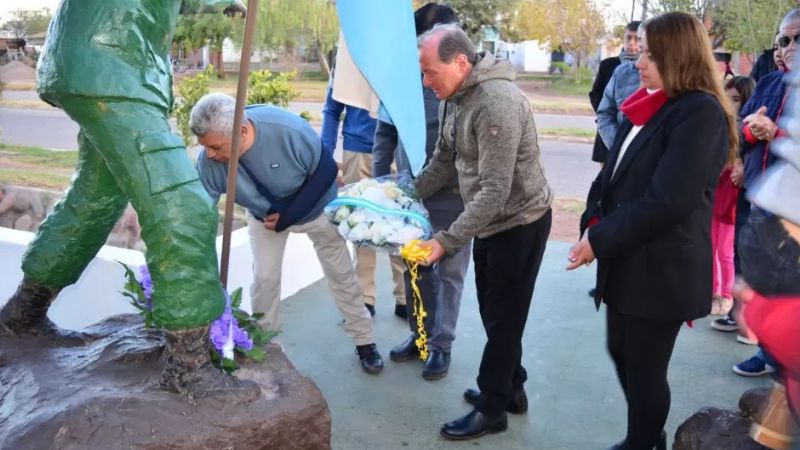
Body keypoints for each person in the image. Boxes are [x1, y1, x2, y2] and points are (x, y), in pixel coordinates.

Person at [0, 0, 247, 395]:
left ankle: (22, 315)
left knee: (95, 199)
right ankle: (189, 369)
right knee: (181, 204)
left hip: (117, 65)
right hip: (110, 61)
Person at [569, 12, 736, 449]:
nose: (637, 60)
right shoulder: (649, 102)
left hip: (662, 268)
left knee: (644, 367)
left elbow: (668, 201)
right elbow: (611, 175)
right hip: (629, 257)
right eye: (639, 50)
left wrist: (599, 240)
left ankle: (644, 441)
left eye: (648, 53)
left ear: (677, 55)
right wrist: (591, 220)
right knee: (622, 353)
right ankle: (646, 437)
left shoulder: (699, 113)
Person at [414, 24, 553, 440]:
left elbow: (497, 189)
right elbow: (442, 160)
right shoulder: (453, 97)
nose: (426, 82)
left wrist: (445, 239)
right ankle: (513, 388)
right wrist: (403, 195)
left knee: (504, 319)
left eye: (430, 72)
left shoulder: (496, 102)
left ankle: (493, 408)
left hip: (520, 222)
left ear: (460, 62)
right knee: (497, 314)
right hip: (491, 222)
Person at [190, 93, 385, 375]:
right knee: (264, 280)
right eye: (205, 147)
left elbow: (327, 169)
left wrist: (289, 215)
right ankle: (268, 346)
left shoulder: (287, 129)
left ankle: (365, 340)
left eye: (216, 147)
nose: (209, 154)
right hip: (264, 219)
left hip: (317, 209)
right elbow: (201, 212)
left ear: (241, 131)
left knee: (342, 275)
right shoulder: (209, 162)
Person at [371, 3, 466, 381]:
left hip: (455, 196)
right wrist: (382, 188)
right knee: (414, 266)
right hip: (411, 195)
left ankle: (441, 346)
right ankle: (419, 335)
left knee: (448, 275)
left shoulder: (465, 80)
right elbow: (384, 136)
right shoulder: (401, 81)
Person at [719, 9, 800, 377]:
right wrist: (748, 143)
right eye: (783, 40)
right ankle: (766, 349)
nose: (788, 48)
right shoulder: (767, 83)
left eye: (797, 39)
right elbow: (740, 129)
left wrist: (777, 134)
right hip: (757, 197)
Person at [321, 69, 407, 319]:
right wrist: (325, 155)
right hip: (357, 149)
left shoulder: (402, 50)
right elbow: (332, 109)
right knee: (361, 224)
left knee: (399, 222)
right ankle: (365, 297)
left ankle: (405, 296)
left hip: (397, 149)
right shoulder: (349, 55)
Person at [711, 76, 755, 316]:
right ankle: (713, 292)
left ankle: (728, 296)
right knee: (711, 247)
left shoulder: (744, 130)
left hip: (732, 200)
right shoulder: (719, 124)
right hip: (715, 195)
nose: (730, 104)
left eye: (736, 99)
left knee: (726, 252)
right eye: (726, 98)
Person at [589, 21, 642, 164]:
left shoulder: (649, 67)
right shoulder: (608, 65)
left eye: (637, 39)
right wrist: (608, 115)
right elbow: (595, 93)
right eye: (628, 38)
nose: (632, 43)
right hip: (608, 135)